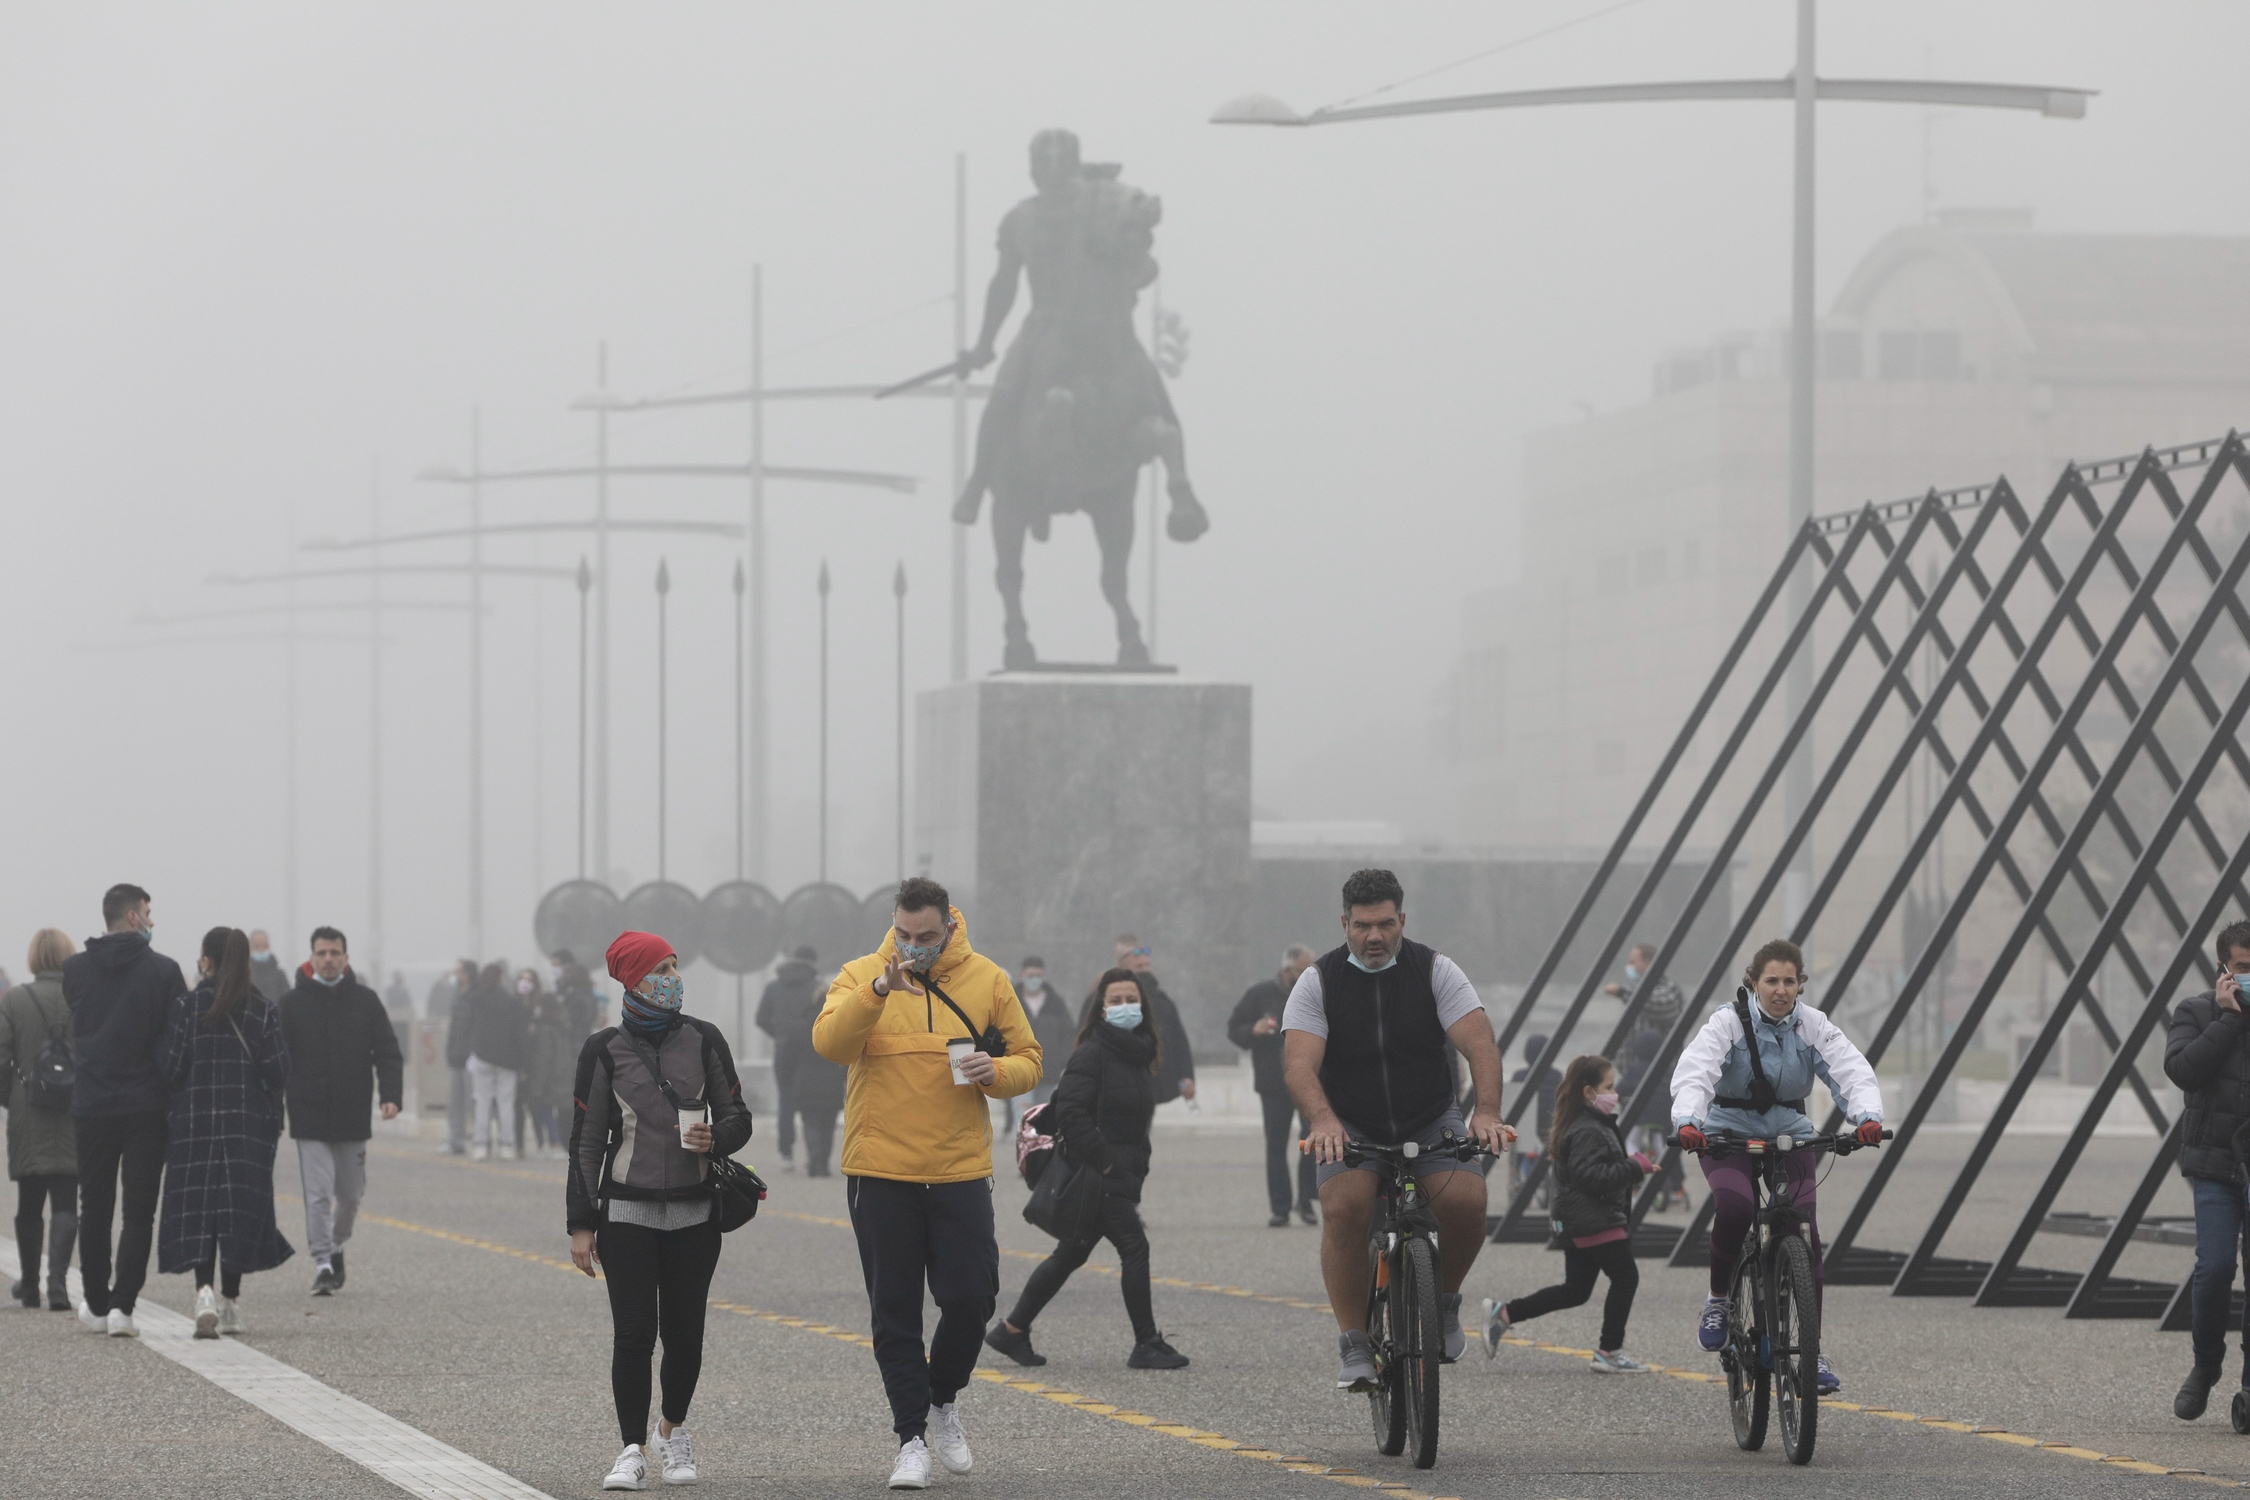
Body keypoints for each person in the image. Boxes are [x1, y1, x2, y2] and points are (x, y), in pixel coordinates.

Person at [812, 876, 1041, 1491]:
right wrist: (880, 988)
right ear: (894, 926)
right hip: (879, 1170)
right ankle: (910, 1437)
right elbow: (830, 1044)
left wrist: (995, 1071)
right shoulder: (861, 973)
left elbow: (1030, 1059)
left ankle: (942, 1400)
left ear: (949, 927)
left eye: (927, 937)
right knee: (895, 1311)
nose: (915, 946)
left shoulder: (988, 979)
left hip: (959, 1169)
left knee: (972, 1298)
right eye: (905, 936)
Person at [1283, 868, 1512, 1391]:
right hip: (1350, 1123)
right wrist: (1323, 1121)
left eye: (1386, 924)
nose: (1375, 937)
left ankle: (1445, 1302)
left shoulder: (1436, 970)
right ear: (1344, 923)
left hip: (1429, 1114)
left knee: (1467, 1203)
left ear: (1402, 920)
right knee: (1344, 1209)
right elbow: (1299, 1064)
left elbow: (1480, 1045)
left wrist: (1487, 1113)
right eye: (1363, 926)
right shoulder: (1318, 981)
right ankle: (1356, 1343)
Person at [568, 931, 753, 1491]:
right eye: (662, 969)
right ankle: (631, 1449)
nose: (673, 979)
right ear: (634, 981)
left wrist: (714, 1139)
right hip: (625, 1215)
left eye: (675, 967)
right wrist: (580, 1224)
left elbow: (739, 1117)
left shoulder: (704, 1039)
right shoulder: (602, 1050)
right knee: (632, 1335)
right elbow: (585, 1141)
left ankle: (672, 1432)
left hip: (696, 1216)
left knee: (685, 1334)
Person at [1670, 937, 1882, 1394]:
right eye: (1771, 981)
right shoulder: (1726, 1023)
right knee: (1735, 1207)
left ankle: (1811, 1349)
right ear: (1753, 983)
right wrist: (1689, 1120)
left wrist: (1866, 1116)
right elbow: (1696, 1070)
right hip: (1724, 1128)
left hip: (1789, 1129)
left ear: (1800, 985)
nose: (1781, 990)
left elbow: (1850, 1069)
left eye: (1789, 981)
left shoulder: (1812, 1025)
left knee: (1805, 1228)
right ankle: (1720, 1300)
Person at [986, 968, 1189, 1372]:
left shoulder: (1138, 1052)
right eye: (1115, 1001)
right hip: (1099, 1175)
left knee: (1071, 1252)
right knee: (1134, 1247)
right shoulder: (1093, 1052)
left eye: (1131, 999)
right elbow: (1071, 1112)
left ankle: (1012, 1330)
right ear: (1100, 1009)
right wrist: (1106, 1160)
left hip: (1119, 1172)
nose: (1124, 1006)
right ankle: (1146, 1342)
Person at [1481, 1054, 1657, 1372]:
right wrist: (1635, 1167)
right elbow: (1589, 1177)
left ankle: (1505, 1313)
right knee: (1626, 1277)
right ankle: (1609, 1351)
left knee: (1575, 1290)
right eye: (1609, 1086)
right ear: (1589, 1092)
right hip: (1594, 1219)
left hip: (1582, 1219)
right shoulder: (1589, 1129)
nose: (1614, 1093)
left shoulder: (1585, 1124)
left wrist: (1633, 1166)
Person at [157, 928, 293, 1338]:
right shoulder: (262, 1010)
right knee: (236, 1209)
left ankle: (203, 1293)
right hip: (247, 1127)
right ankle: (231, 1303)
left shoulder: (187, 1006)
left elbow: (172, 1067)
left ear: (207, 961)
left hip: (195, 1125)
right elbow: (278, 1072)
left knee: (201, 1209)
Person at [66, 883, 187, 1338]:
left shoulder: (75, 969)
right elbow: (174, 1044)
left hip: (92, 1103)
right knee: (139, 1211)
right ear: (133, 917)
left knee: (93, 1206)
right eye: (149, 913)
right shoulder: (164, 971)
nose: (153, 922)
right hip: (145, 1106)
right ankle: (123, 1308)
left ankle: (96, 1303)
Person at [279, 926, 403, 1297]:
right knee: (317, 1194)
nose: (329, 959)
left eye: (335, 953)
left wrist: (391, 1094)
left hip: (352, 1113)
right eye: (322, 953)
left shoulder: (365, 1001)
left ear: (346, 958)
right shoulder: (290, 1004)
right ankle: (323, 1263)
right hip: (308, 1114)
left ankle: (336, 1244)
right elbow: (276, 1060)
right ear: (311, 957)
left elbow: (387, 1050)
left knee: (350, 1195)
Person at [2164, 920, 2250, 1421]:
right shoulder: (2195, 1011)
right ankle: (2205, 1367)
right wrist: (2228, 1018)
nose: (2248, 976)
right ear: (2222, 968)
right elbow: (2183, 1071)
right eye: (2241, 968)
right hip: (2215, 1165)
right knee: (2215, 1267)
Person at [1, 928, 80, 1310]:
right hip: (73, 1109)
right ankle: (58, 1286)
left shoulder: (14, 999)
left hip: (27, 1109)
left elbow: (0, 1060)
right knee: (66, 1198)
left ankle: (29, 1285)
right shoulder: (81, 999)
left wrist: (13, 1098)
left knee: (29, 1201)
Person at [1228, 945, 1319, 1227]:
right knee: (1276, 1146)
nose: (1308, 976)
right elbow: (1234, 1029)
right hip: (1273, 1084)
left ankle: (1306, 1201)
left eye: (1311, 970)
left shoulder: (1316, 993)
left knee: (1311, 1141)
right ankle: (1280, 1207)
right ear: (1287, 970)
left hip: (1310, 1082)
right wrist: (1252, 1031)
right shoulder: (1259, 994)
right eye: (1304, 971)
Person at [755, 945, 823, 1173]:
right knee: (809, 1102)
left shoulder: (773, 987)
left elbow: (761, 1018)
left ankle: (786, 1154)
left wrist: (780, 1036)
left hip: (783, 1052)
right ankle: (815, 1152)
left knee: (786, 1101)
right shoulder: (817, 987)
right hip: (809, 1052)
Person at [1110, 936, 1196, 1106]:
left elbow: (1178, 1040)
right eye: (1138, 966)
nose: (1144, 970)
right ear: (1123, 966)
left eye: (1146, 965)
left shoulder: (1161, 1001)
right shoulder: (1106, 998)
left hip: (1150, 1081)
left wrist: (1186, 1075)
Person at [464, 960, 530, 1161]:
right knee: (506, 1104)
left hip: (482, 1057)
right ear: (501, 979)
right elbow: (520, 1035)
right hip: (508, 1061)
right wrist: (523, 1063)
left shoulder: (475, 999)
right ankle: (507, 1146)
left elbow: (468, 1027)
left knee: (482, 1102)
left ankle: (480, 1145)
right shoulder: (513, 1003)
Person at [1008, 956, 1077, 1135]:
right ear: (1022, 975)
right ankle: (1025, 1152)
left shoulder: (1055, 1002)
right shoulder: (1010, 999)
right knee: (1024, 1120)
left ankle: (1041, 1156)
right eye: (1030, 975)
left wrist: (1062, 1060)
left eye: (1038, 975)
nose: (1034, 979)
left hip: (1049, 1070)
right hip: (1020, 1069)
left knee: (1044, 1119)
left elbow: (1068, 1033)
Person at [523, 974, 575, 1158]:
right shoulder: (563, 1026)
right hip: (562, 1075)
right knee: (555, 1111)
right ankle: (556, 1143)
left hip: (548, 1078)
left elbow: (543, 1060)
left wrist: (536, 1085)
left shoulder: (544, 1030)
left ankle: (553, 1143)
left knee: (544, 1110)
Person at [1511, 1033, 1563, 1209]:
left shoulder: (1519, 1075)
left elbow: (1511, 1100)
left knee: (1517, 1150)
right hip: (1549, 1124)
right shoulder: (1556, 1075)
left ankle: (1515, 1177)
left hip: (1525, 1125)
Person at [443, 959, 476, 1155]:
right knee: (454, 1101)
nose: (454, 975)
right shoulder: (456, 995)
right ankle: (455, 1141)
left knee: (472, 1101)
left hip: (471, 1056)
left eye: (458, 971)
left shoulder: (476, 996)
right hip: (455, 1054)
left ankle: (479, 1140)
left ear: (467, 974)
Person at [247, 930, 291, 1004]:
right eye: (257, 946)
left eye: (264, 946)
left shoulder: (279, 975)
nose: (261, 950)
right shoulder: (245, 975)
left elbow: (288, 1001)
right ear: (250, 948)